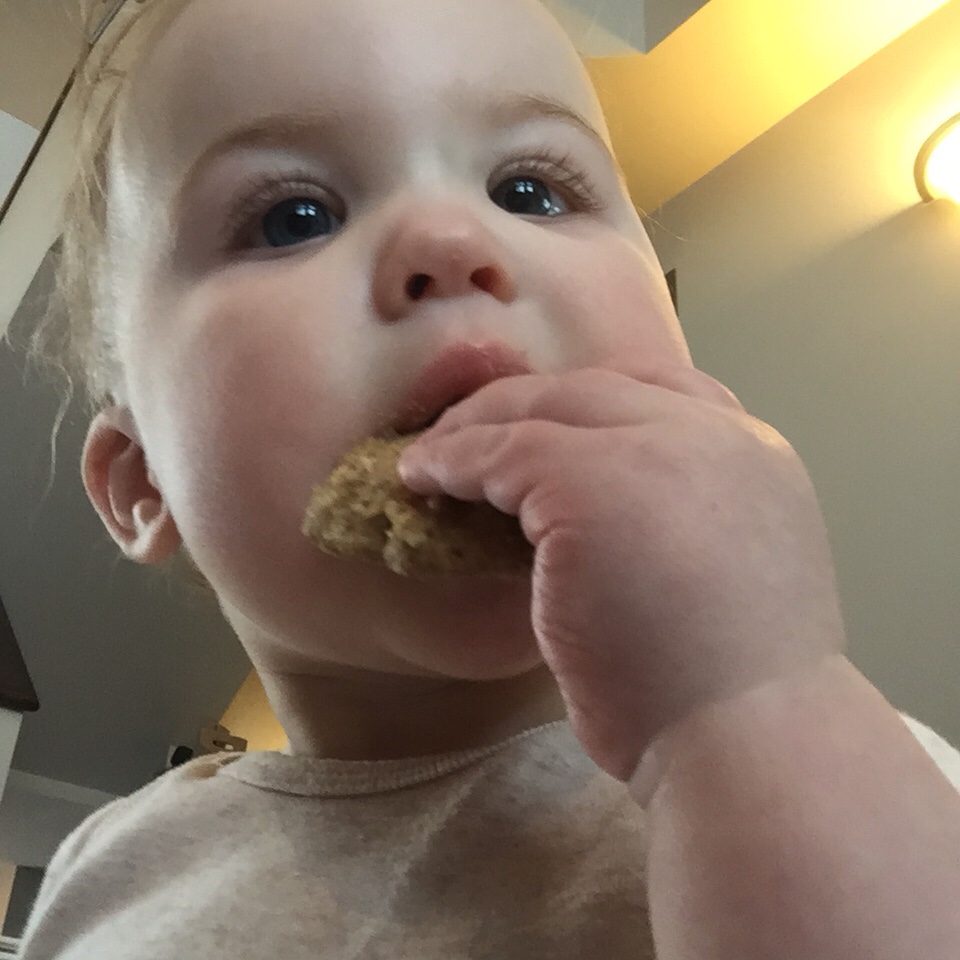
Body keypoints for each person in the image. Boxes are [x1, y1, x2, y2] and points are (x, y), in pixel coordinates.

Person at [16, 0, 960, 956]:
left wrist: (751, 696)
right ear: (142, 480)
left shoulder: (844, 779)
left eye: (530, 191)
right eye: (293, 218)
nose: (449, 240)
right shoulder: (111, 872)